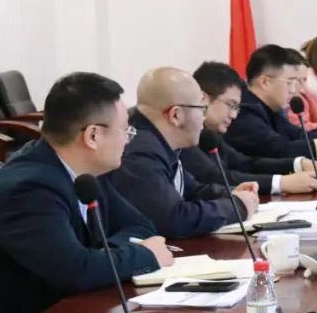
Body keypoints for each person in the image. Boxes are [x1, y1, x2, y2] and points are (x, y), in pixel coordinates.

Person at [0, 73, 172, 313]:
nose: (128, 140)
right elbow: (76, 272)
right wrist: (145, 255)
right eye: (125, 131)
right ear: (93, 136)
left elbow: (140, 226)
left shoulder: (86, 171)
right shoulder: (29, 189)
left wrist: (98, 257)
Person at [111, 67, 260, 239]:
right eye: (201, 109)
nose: (204, 118)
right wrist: (237, 207)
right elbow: (173, 219)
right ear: (176, 115)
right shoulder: (141, 150)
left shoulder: (160, 141)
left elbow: (191, 190)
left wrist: (232, 193)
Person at [182, 61, 317, 197]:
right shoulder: (185, 137)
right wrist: (281, 183)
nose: (234, 115)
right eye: (231, 105)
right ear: (203, 99)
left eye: (236, 107)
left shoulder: (210, 133)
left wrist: (298, 164)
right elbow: (218, 179)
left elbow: (244, 163)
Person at [226, 45, 317, 160]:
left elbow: (297, 136)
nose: (294, 90)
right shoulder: (244, 111)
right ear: (264, 82)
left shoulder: (269, 108)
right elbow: (281, 150)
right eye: (290, 82)